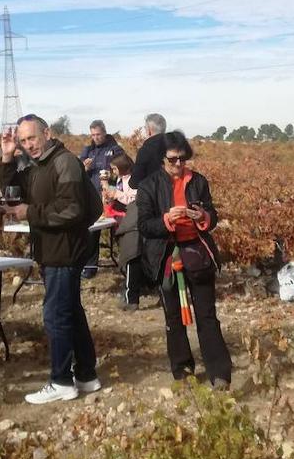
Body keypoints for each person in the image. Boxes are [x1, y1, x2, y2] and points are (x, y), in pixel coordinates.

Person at [0, 114, 103, 404]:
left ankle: (61, 381)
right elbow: (12, 191)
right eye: (23, 141)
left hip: (64, 251)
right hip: (52, 250)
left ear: (47, 133)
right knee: (71, 311)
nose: (28, 144)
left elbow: (72, 209)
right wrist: (6, 159)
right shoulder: (38, 165)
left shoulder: (64, 162)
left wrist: (30, 213)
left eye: (32, 137)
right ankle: (86, 375)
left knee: (56, 315)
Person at [137, 132, 231, 387]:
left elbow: (212, 215)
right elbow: (144, 225)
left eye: (182, 158)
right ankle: (183, 371)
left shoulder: (198, 181)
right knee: (174, 318)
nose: (178, 164)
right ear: (162, 159)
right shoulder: (148, 186)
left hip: (197, 254)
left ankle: (219, 373)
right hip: (166, 256)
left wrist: (203, 216)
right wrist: (166, 220)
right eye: (172, 159)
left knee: (207, 315)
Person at [78, 120, 125, 278]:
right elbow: (78, 173)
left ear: (104, 132)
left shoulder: (114, 149)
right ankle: (90, 267)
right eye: (93, 135)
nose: (96, 138)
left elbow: (124, 169)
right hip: (91, 196)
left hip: (111, 197)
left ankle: (126, 264)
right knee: (91, 231)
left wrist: (111, 175)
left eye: (98, 134)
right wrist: (84, 167)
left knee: (119, 231)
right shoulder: (88, 150)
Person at [104, 154, 145, 309]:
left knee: (131, 254)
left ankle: (132, 294)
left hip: (131, 221)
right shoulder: (118, 180)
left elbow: (133, 199)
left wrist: (117, 194)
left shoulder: (134, 181)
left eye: (115, 169)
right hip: (120, 218)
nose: (113, 172)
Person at [130, 113, 168, 185]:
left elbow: (135, 182)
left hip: (152, 190)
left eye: (145, 129)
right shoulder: (173, 146)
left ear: (149, 131)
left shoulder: (145, 150)